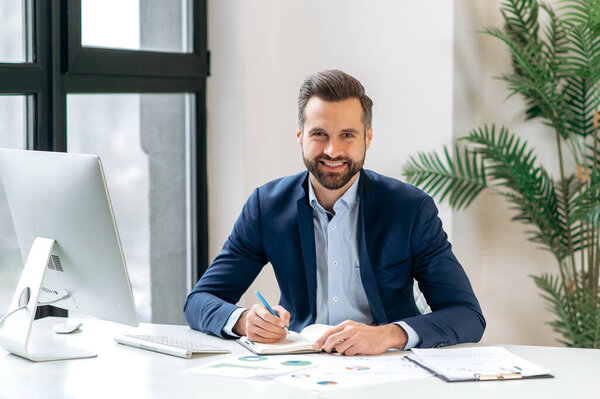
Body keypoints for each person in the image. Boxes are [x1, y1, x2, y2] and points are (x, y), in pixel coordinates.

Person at [184, 69, 485, 355]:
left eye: (347, 136)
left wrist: (388, 334)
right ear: (300, 136)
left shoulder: (410, 209)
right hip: (300, 367)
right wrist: (243, 319)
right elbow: (199, 301)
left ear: (367, 137)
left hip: (389, 367)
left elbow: (467, 315)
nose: (332, 150)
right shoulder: (267, 206)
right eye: (319, 134)